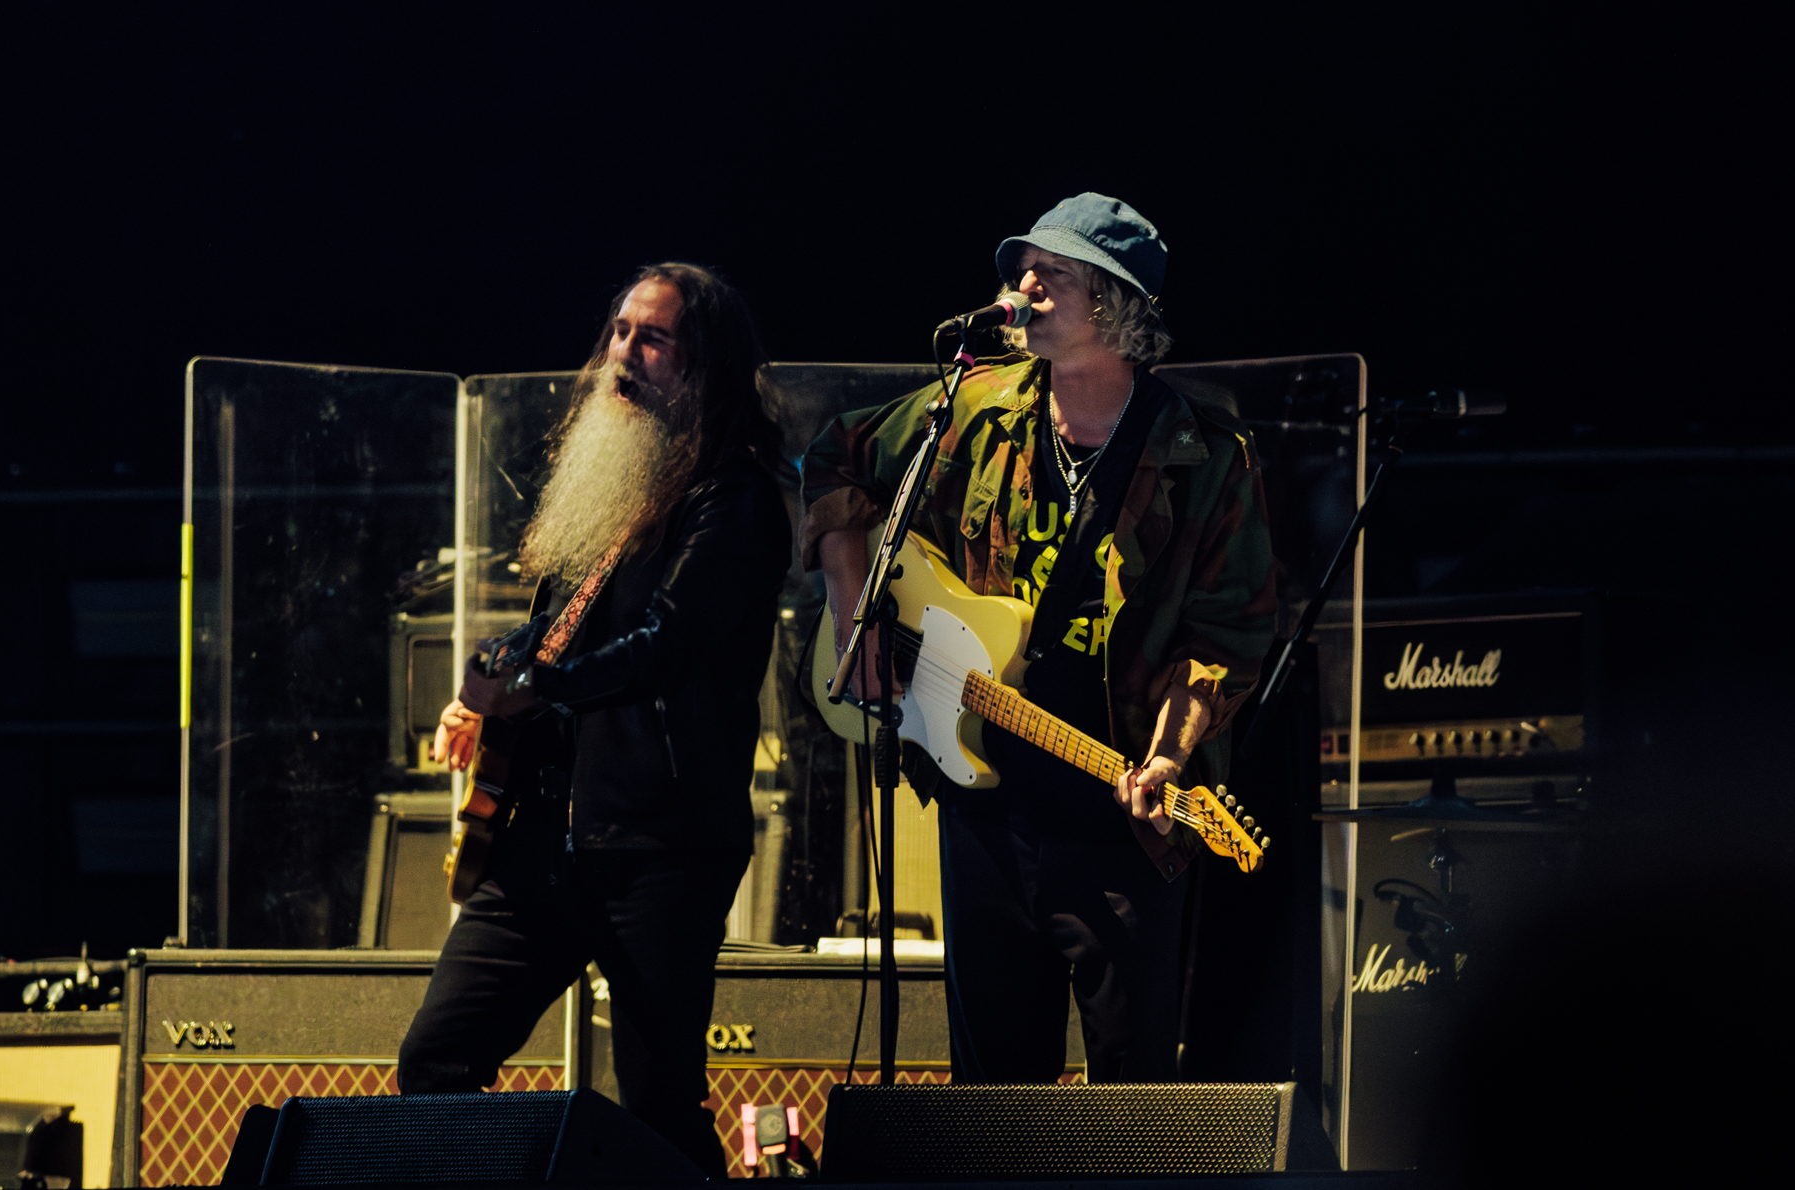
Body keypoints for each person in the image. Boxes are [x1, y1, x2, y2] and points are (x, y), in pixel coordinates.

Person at [802, 193, 1277, 1083]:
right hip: (983, 799)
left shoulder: (1205, 450)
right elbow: (834, 456)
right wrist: (849, 606)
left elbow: (1227, 636)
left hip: (1117, 819)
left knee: (1133, 1100)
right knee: (992, 1098)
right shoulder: (976, 406)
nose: (1020, 286)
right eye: (1020, 267)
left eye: (1049, 273)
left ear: (1115, 304)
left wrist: (1171, 757)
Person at [399, 262, 789, 1175]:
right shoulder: (613, 490)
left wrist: (539, 686)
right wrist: (489, 685)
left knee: (657, 1102)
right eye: (618, 332)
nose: (624, 353)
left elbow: (666, 644)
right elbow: (556, 632)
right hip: (542, 842)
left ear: (702, 365)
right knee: (436, 1059)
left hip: (660, 847)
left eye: (651, 338)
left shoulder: (733, 502)